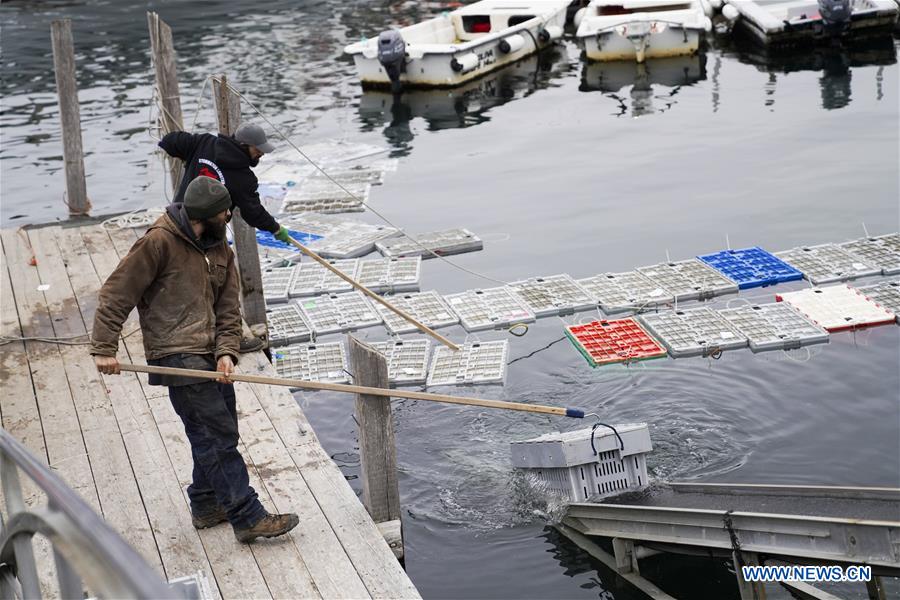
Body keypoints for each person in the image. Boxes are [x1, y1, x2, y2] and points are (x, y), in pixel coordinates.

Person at [90, 176, 299, 543]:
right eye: (224, 211)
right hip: (175, 352)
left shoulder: (221, 250)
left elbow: (228, 308)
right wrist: (105, 348)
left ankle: (206, 504)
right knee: (216, 435)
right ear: (206, 215)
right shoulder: (158, 242)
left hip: (209, 353)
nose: (229, 216)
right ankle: (246, 515)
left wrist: (227, 352)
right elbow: (115, 294)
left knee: (219, 430)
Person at [159, 122, 289, 353]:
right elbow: (253, 212)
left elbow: (168, 141)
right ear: (244, 145)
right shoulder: (243, 178)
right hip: (206, 238)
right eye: (258, 149)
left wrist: (187, 155)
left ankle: (193, 332)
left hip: (175, 223)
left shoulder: (203, 143)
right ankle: (227, 339)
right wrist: (276, 228)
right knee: (221, 285)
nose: (261, 153)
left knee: (181, 279)